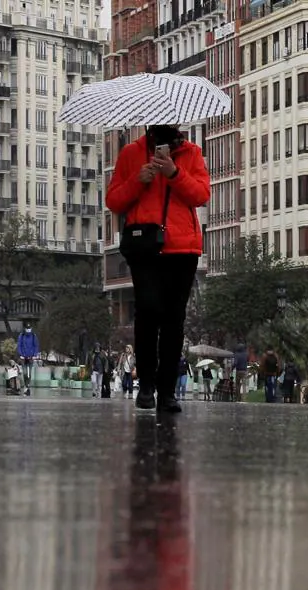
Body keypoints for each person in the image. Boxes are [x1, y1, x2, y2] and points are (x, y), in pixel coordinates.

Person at [106, 124, 210, 413]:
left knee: (174, 319)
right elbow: (114, 200)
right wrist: (139, 180)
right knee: (148, 312)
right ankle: (147, 385)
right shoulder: (131, 153)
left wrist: (173, 173)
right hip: (145, 246)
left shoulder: (192, 153)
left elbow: (201, 194)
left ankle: (167, 391)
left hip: (182, 247)